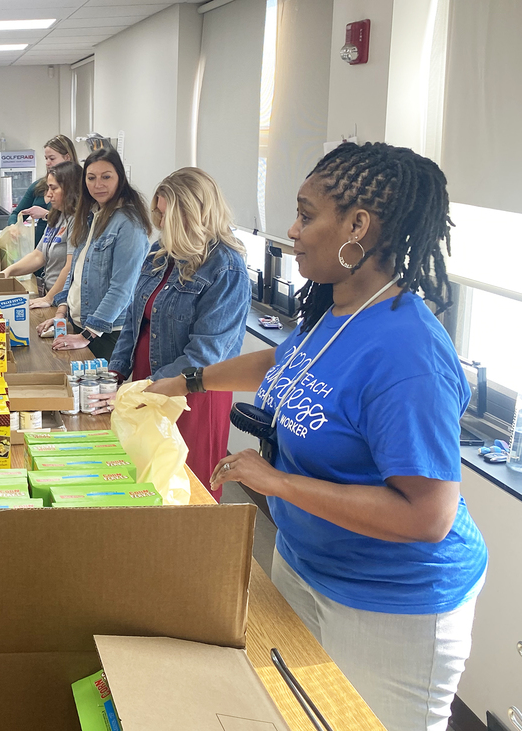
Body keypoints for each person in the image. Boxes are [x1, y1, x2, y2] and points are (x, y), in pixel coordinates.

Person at [149, 142, 488, 730]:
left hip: (390, 600)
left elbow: (427, 516)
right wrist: (182, 383)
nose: (291, 230)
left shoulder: (408, 350)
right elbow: (283, 365)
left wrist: (277, 481)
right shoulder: (337, 309)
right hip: (306, 561)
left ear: (358, 225)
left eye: (306, 215)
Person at [96, 168, 250, 500]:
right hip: (147, 384)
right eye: (159, 214)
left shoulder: (226, 267)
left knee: (187, 487)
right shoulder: (159, 253)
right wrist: (115, 373)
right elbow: (135, 319)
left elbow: (207, 353)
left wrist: (148, 387)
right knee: (147, 476)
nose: (162, 223)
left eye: (168, 215)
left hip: (191, 395)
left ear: (194, 215)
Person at [37, 147, 151, 360]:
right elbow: (76, 272)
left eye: (106, 177)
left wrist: (88, 334)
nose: (98, 185)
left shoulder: (128, 224)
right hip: (81, 325)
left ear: (120, 178)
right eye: (91, 177)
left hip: (107, 333)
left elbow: (122, 288)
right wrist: (62, 312)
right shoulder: (91, 215)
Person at [0, 161, 82, 308]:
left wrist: (49, 298)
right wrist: (8, 272)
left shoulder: (77, 221)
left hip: (65, 301)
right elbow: (39, 255)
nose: (48, 194)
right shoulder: (57, 217)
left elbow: (70, 267)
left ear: (70, 189)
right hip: (51, 295)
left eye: (53, 188)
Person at [6, 134, 79, 244]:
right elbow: (17, 213)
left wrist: (45, 215)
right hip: (40, 249)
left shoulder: (79, 188)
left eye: (52, 158)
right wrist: (13, 227)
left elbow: (74, 221)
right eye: (46, 158)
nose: (47, 163)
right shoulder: (38, 186)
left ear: (67, 157)